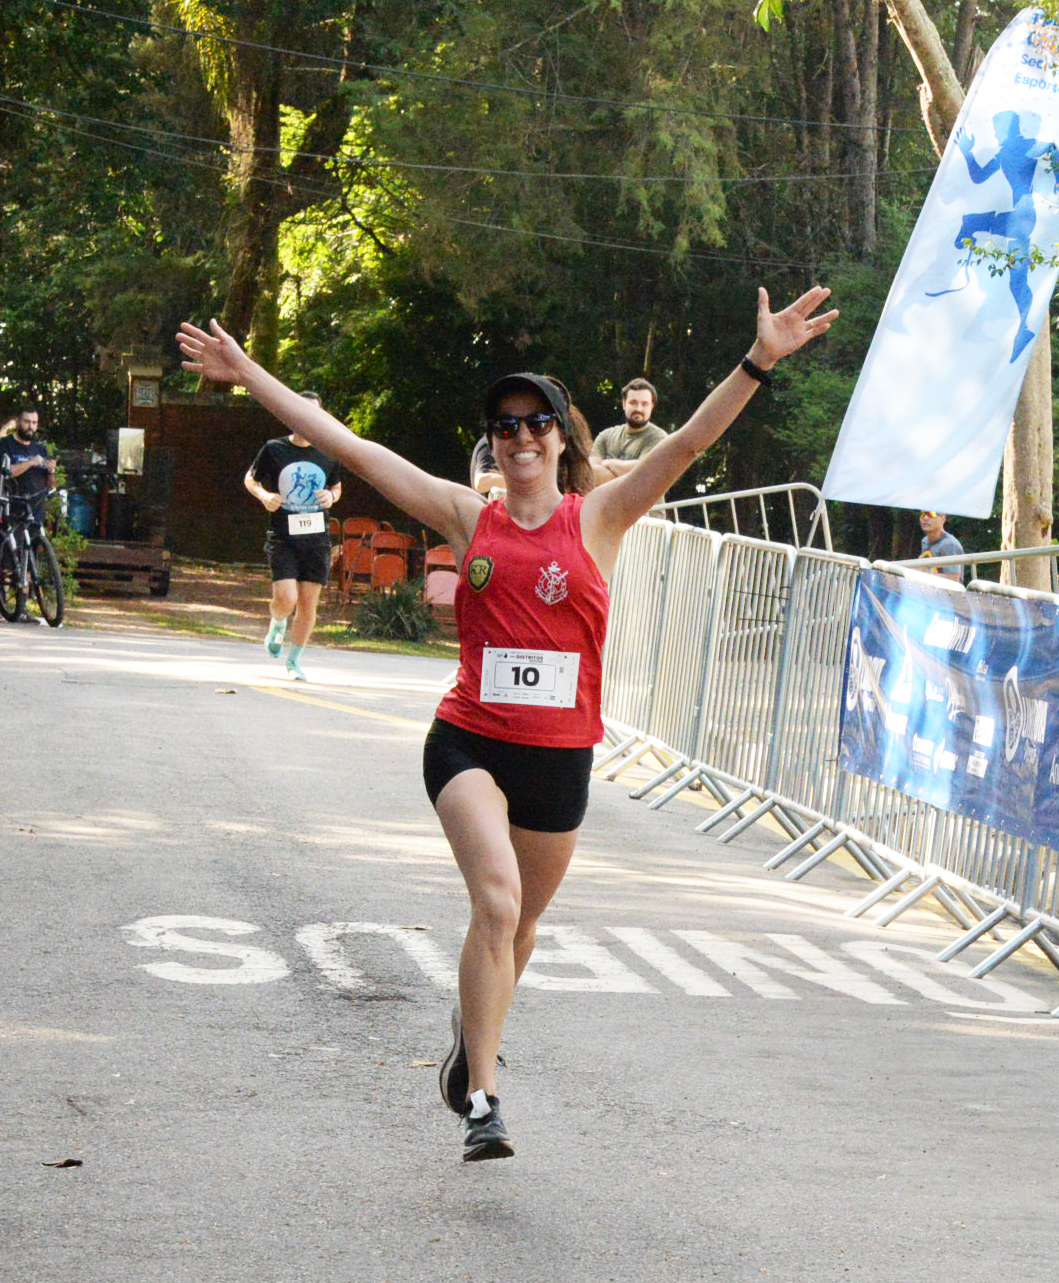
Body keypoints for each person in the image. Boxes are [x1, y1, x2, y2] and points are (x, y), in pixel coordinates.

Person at [178, 284, 838, 1161]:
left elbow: (689, 443)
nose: (520, 435)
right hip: (470, 741)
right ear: (493, 441)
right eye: (506, 424)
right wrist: (244, 370)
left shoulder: (600, 516)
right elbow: (349, 444)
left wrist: (760, 359)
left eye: (537, 422)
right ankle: (484, 1097)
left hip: (560, 756)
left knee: (520, 927)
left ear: (563, 438)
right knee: (496, 901)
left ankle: (468, 1042)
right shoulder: (467, 514)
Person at [244, 398, 344, 682]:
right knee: (286, 598)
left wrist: (331, 497)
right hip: (283, 536)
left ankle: (294, 662)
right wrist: (265, 496)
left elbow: (336, 486)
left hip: (316, 538)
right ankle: (277, 622)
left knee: (308, 604)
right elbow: (250, 479)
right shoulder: (274, 449)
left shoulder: (328, 451)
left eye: (314, 411)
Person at [589, 379, 667, 478]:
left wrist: (609, 464)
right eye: (633, 403)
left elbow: (646, 472)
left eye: (644, 404)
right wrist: (628, 471)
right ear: (624, 404)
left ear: (652, 406)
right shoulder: (606, 436)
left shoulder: (659, 438)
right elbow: (590, 472)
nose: (638, 409)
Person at [918, 510, 965, 581]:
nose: (925, 518)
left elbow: (953, 578)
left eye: (931, 514)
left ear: (943, 519)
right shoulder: (925, 541)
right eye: (923, 514)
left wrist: (921, 575)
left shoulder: (949, 544)